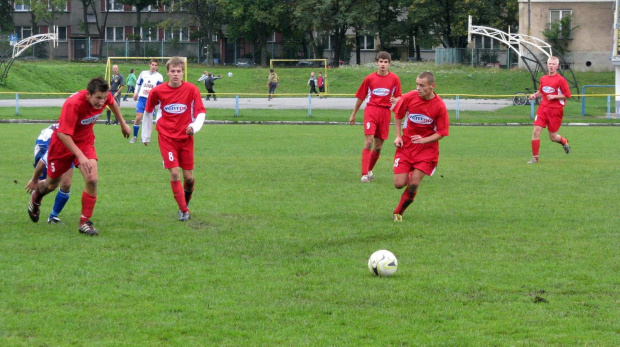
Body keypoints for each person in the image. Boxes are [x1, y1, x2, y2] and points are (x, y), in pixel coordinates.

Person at [27, 77, 132, 235]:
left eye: (103, 98)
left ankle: (85, 222)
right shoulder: (73, 104)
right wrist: (80, 155)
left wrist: (122, 123)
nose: (101, 102)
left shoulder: (104, 96)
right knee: (51, 184)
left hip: (85, 142)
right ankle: (36, 197)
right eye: (98, 98)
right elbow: (62, 133)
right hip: (62, 145)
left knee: (92, 179)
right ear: (88, 95)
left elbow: (112, 102)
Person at [141, 57, 206, 221]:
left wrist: (194, 127)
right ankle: (183, 210)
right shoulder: (158, 91)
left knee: (189, 178)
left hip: (186, 138)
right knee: (175, 173)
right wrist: (146, 135)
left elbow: (200, 112)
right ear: (167, 72)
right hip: (167, 137)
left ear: (183, 73)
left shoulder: (192, 90)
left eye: (179, 71)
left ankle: (185, 204)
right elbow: (148, 112)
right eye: (173, 71)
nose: (176, 74)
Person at [391, 71, 449, 222]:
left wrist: (424, 140)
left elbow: (442, 132)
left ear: (432, 86)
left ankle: (398, 212)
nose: (418, 88)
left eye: (422, 85)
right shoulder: (409, 97)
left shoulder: (439, 106)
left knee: (414, 183)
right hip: (407, 146)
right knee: (399, 184)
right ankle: (410, 175)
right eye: (417, 84)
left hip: (427, 150)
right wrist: (398, 136)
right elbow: (398, 115)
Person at [349, 51, 402, 183]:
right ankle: (364, 174)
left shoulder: (395, 79)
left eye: (385, 62)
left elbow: (399, 96)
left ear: (389, 64)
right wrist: (353, 113)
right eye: (380, 61)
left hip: (385, 113)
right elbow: (361, 96)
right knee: (368, 141)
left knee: (378, 146)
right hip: (371, 111)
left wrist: (396, 100)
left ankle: (369, 170)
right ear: (377, 63)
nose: (383, 64)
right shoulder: (369, 79)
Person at [25, 123, 73, 224]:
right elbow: (42, 161)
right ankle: (36, 199)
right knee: (51, 185)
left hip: (69, 146)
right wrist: (34, 179)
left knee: (66, 183)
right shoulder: (58, 142)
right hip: (44, 143)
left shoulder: (80, 136)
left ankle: (53, 217)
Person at [527, 55, 571, 164]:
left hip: (555, 111)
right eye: (549, 64)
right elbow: (542, 91)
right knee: (536, 131)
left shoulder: (561, 80)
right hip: (543, 109)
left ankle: (564, 141)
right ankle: (535, 158)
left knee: (553, 137)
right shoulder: (543, 78)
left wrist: (555, 97)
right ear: (547, 65)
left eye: (553, 64)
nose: (551, 66)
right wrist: (534, 95)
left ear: (557, 66)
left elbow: (568, 95)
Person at [131, 59, 163, 144]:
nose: (154, 67)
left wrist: (152, 92)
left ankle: (145, 138)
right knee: (138, 117)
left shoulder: (159, 76)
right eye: (152, 64)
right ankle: (134, 136)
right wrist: (135, 93)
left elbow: (159, 89)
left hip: (151, 99)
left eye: (156, 65)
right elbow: (138, 83)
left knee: (148, 119)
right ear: (150, 65)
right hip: (142, 98)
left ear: (157, 66)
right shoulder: (143, 73)